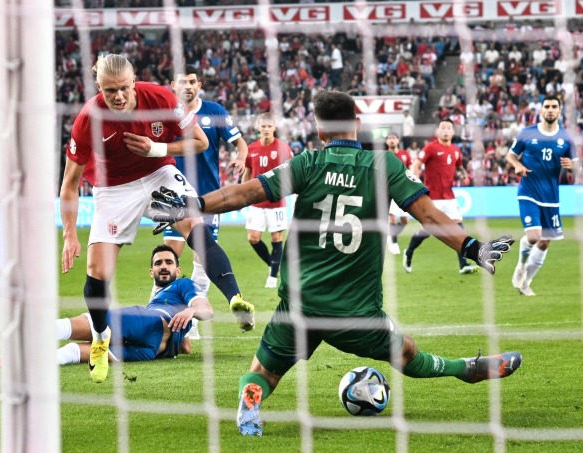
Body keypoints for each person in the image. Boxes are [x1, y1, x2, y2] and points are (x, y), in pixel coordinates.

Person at [148, 90, 520, 437]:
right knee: (407, 352)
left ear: (319, 129)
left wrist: (191, 205)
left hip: (301, 304)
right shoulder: (383, 165)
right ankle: (468, 370)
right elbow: (427, 214)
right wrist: (473, 248)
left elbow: (244, 193)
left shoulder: (307, 163)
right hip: (356, 310)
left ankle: (251, 403)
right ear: (357, 123)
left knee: (263, 373)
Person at [59, 54, 254, 384]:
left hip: (158, 175)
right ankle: (100, 338)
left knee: (193, 223)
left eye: (123, 88)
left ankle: (234, 296)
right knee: (97, 270)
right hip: (114, 189)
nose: (118, 97)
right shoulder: (87, 119)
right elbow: (69, 184)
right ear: (98, 87)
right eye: (110, 91)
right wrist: (69, 234)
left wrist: (156, 148)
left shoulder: (161, 98)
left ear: (134, 81)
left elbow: (200, 142)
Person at [0, 245, 214, 369]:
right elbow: (185, 347)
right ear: (151, 272)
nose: (163, 266)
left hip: (146, 325)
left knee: (81, 326)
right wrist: (182, 330)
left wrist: (191, 311)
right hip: (150, 352)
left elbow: (207, 309)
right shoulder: (160, 299)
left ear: (177, 270)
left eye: (168, 262)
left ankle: (2, 339)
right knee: (80, 351)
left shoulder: (182, 285)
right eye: (158, 263)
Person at [159, 66, 248, 339]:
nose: (188, 86)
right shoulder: (164, 113)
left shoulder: (215, 111)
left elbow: (240, 144)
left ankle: (193, 321)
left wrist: (241, 158)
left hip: (208, 199)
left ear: (199, 85)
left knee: (202, 259)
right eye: (182, 82)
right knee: (168, 257)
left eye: (192, 82)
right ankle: (160, 310)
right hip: (174, 198)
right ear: (173, 85)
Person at [506, 95, 578, 296]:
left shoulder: (566, 138)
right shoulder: (526, 133)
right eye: (547, 106)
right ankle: (520, 266)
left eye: (554, 106)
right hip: (528, 191)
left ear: (560, 110)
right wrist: (518, 165)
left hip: (551, 197)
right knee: (534, 236)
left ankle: (526, 282)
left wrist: (572, 167)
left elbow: (577, 167)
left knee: (545, 241)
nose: (550, 110)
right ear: (541, 110)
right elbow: (511, 155)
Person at [402, 119, 479, 275]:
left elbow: (459, 167)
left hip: (449, 197)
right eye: (442, 127)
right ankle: (409, 252)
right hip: (433, 198)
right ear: (438, 131)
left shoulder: (456, 150)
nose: (445, 130)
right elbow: (415, 165)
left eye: (448, 128)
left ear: (452, 132)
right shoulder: (431, 147)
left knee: (458, 229)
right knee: (428, 231)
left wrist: (463, 175)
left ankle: (463, 264)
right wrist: (415, 182)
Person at [241, 113, 293, 288]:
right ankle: (275, 266)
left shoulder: (283, 148)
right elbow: (247, 174)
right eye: (263, 126)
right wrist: (242, 195)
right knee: (253, 238)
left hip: (275, 201)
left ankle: (272, 277)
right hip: (256, 201)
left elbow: (292, 171)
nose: (266, 129)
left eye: (269, 126)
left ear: (274, 128)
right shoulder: (251, 148)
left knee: (276, 237)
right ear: (258, 128)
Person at [384, 133, 411, 255]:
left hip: (403, 190)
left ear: (398, 140)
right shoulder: (384, 156)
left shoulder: (405, 155)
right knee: (392, 217)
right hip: (389, 190)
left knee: (405, 221)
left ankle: (390, 236)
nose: (391, 140)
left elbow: (410, 171)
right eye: (389, 138)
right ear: (386, 142)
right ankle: (394, 243)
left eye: (393, 138)